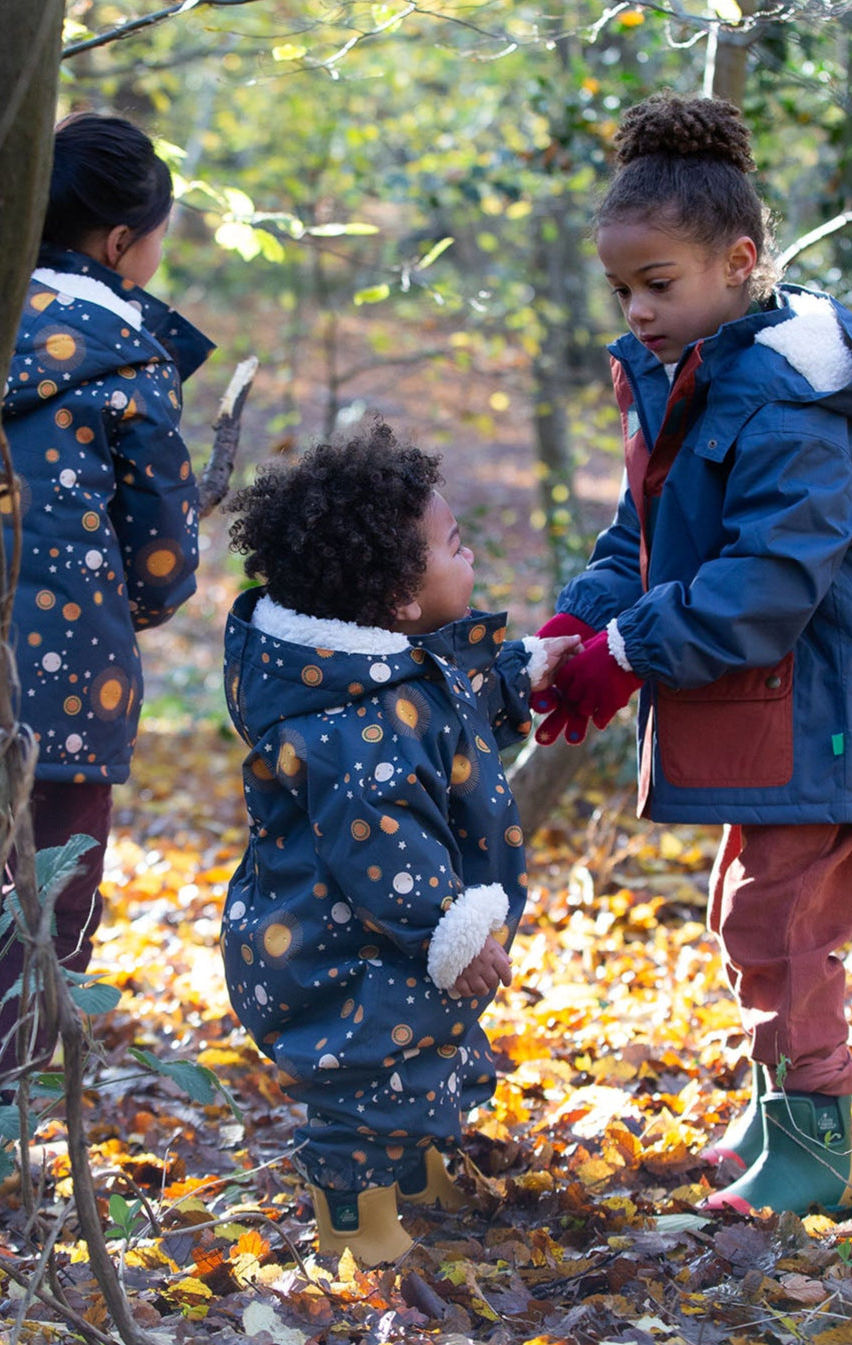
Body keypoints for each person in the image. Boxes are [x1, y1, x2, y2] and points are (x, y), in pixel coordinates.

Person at [532, 92, 852, 1216]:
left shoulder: (792, 400)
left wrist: (630, 651)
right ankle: (774, 1111)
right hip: (771, 690)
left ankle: (815, 1136)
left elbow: (767, 586)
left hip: (827, 687)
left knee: (786, 919)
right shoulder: (688, 375)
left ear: (740, 260)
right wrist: (584, 627)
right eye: (622, 289)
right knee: (746, 908)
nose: (638, 310)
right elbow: (645, 537)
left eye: (658, 284)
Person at [220, 422, 581, 1265]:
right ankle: (354, 1222)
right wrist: (449, 933)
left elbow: (446, 702)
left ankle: (416, 1174)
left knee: (425, 1048)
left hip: (380, 934)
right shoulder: (352, 725)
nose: (469, 558)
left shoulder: (379, 674)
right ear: (399, 601)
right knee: (368, 1073)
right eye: (454, 546)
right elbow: (384, 853)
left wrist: (522, 671)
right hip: (340, 940)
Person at [0, 113, 215, 1070]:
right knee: (47, 894)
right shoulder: (131, 355)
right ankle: (6, 1103)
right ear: (121, 243)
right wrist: (148, 600)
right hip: (69, 686)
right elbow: (162, 557)